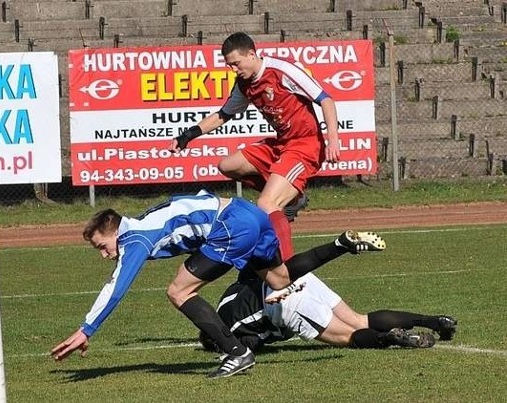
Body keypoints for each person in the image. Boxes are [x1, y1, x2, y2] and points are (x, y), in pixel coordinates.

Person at [50, 190, 385, 379]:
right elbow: (191, 201)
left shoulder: (134, 237)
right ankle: (341, 244)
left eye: (102, 247)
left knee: (178, 291)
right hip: (247, 212)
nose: (105, 255)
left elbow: (116, 286)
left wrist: (87, 329)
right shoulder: (144, 219)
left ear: (113, 231)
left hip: (230, 225)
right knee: (279, 277)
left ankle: (237, 352)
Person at [170, 32, 340, 261]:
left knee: (266, 204)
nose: (233, 70)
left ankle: (285, 269)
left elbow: (325, 99)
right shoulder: (244, 84)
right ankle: (290, 199)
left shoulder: (281, 71)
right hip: (281, 144)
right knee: (228, 165)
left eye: (236, 64)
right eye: (229, 65)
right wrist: (187, 135)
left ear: (251, 54)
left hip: (305, 145)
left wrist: (333, 139)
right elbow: (224, 114)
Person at [199, 271, 457, 355]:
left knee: (350, 335)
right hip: (293, 277)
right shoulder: (225, 299)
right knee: (359, 319)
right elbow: (246, 275)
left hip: (284, 303)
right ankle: (436, 321)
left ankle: (390, 338)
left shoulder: (230, 332)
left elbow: (255, 343)